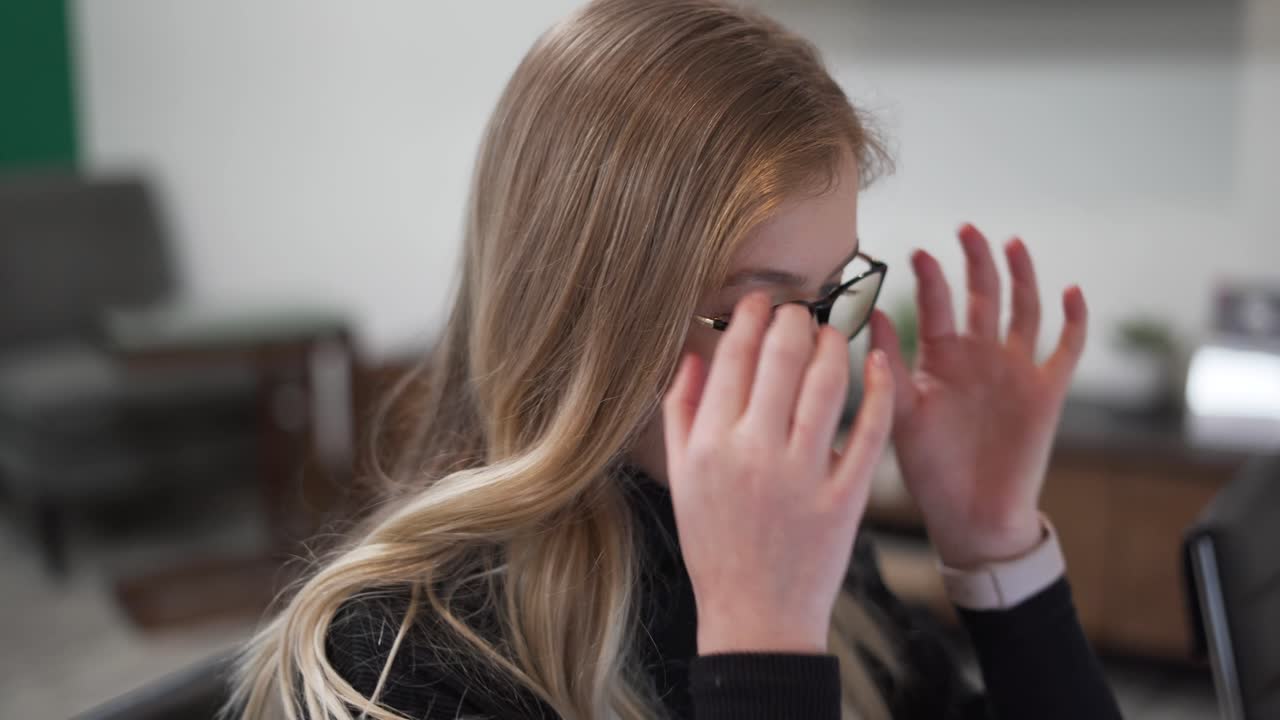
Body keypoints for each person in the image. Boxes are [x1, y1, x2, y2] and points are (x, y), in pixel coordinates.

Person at [227, 1, 1123, 718]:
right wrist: (761, 649)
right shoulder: (393, 660)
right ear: (587, 317)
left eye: (831, 297)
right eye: (755, 310)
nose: (816, 365)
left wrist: (992, 542)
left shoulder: (809, 547)